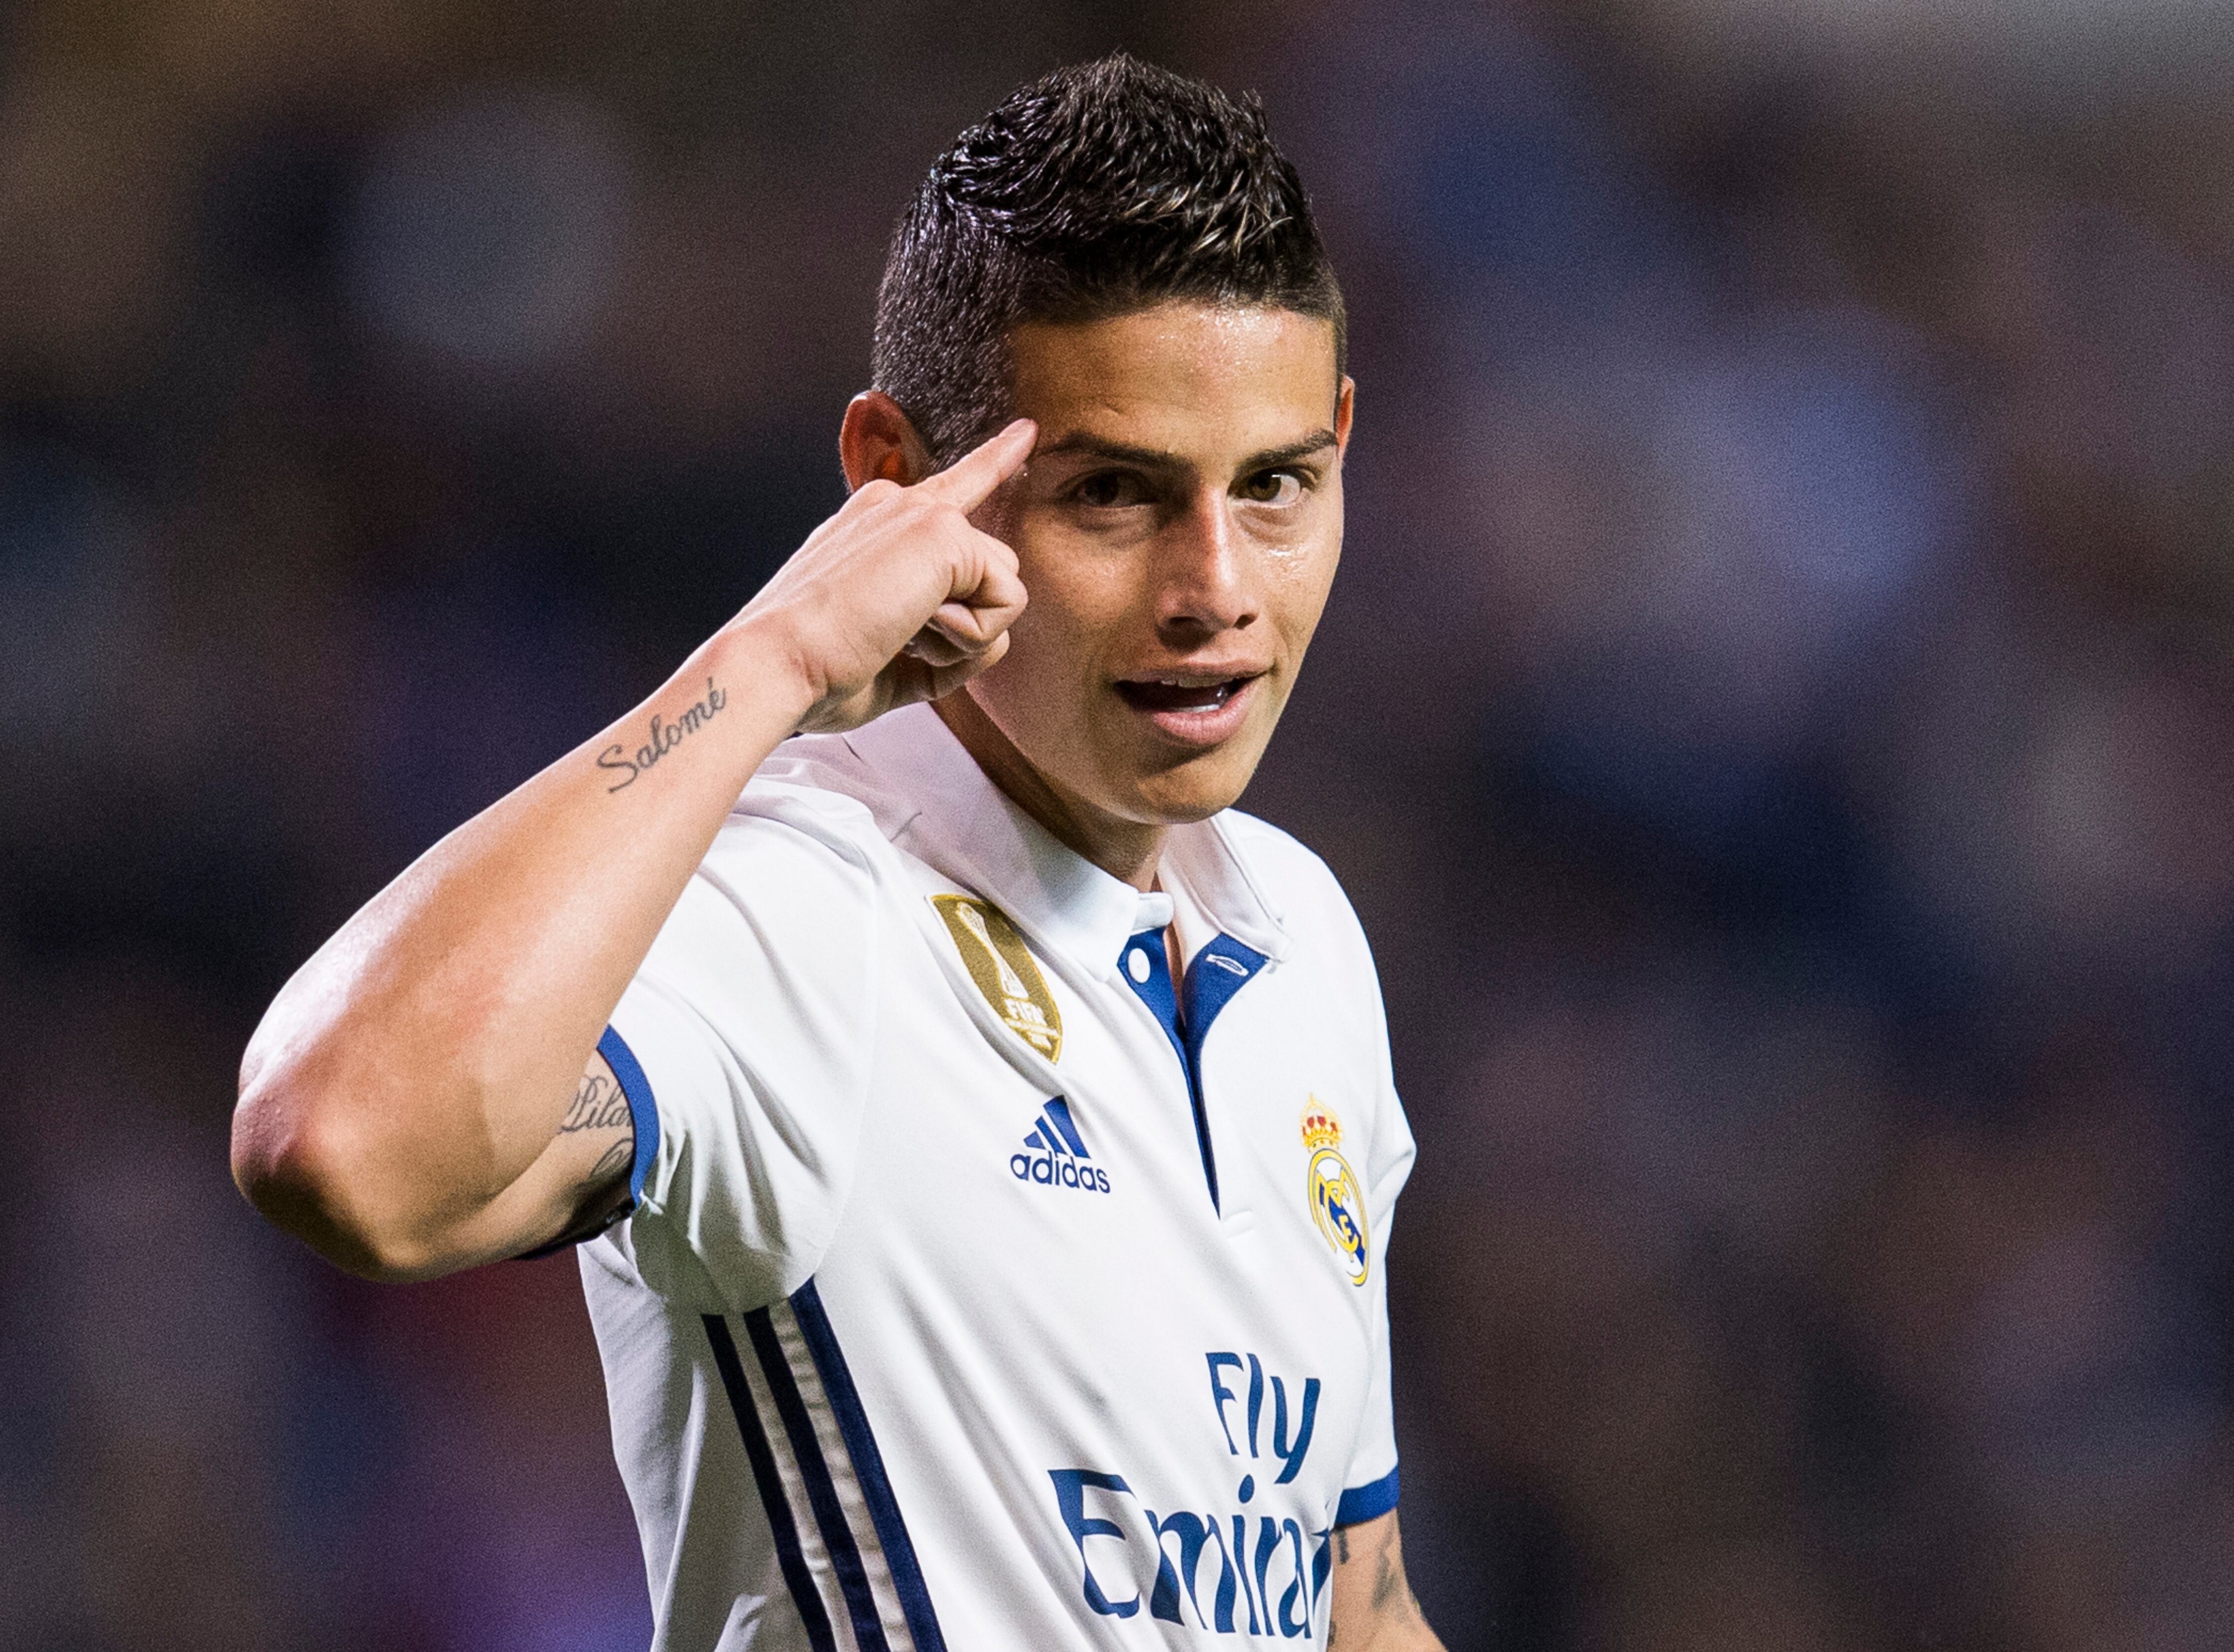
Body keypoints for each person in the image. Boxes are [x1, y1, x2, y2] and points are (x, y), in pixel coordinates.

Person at [233, 54, 1445, 1652]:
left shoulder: (1302, 939)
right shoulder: (800, 904)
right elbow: (342, 1146)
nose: (1216, 586)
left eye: (1276, 485)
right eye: (1112, 496)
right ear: (895, 482)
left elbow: (1354, 1608)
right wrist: (771, 659)